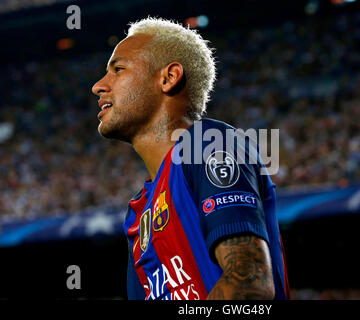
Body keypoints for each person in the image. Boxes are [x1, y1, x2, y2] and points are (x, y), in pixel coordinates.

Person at [91, 17, 289, 300]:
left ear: (168, 78)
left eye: (118, 69)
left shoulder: (208, 144)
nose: (98, 86)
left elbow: (249, 285)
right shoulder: (137, 213)